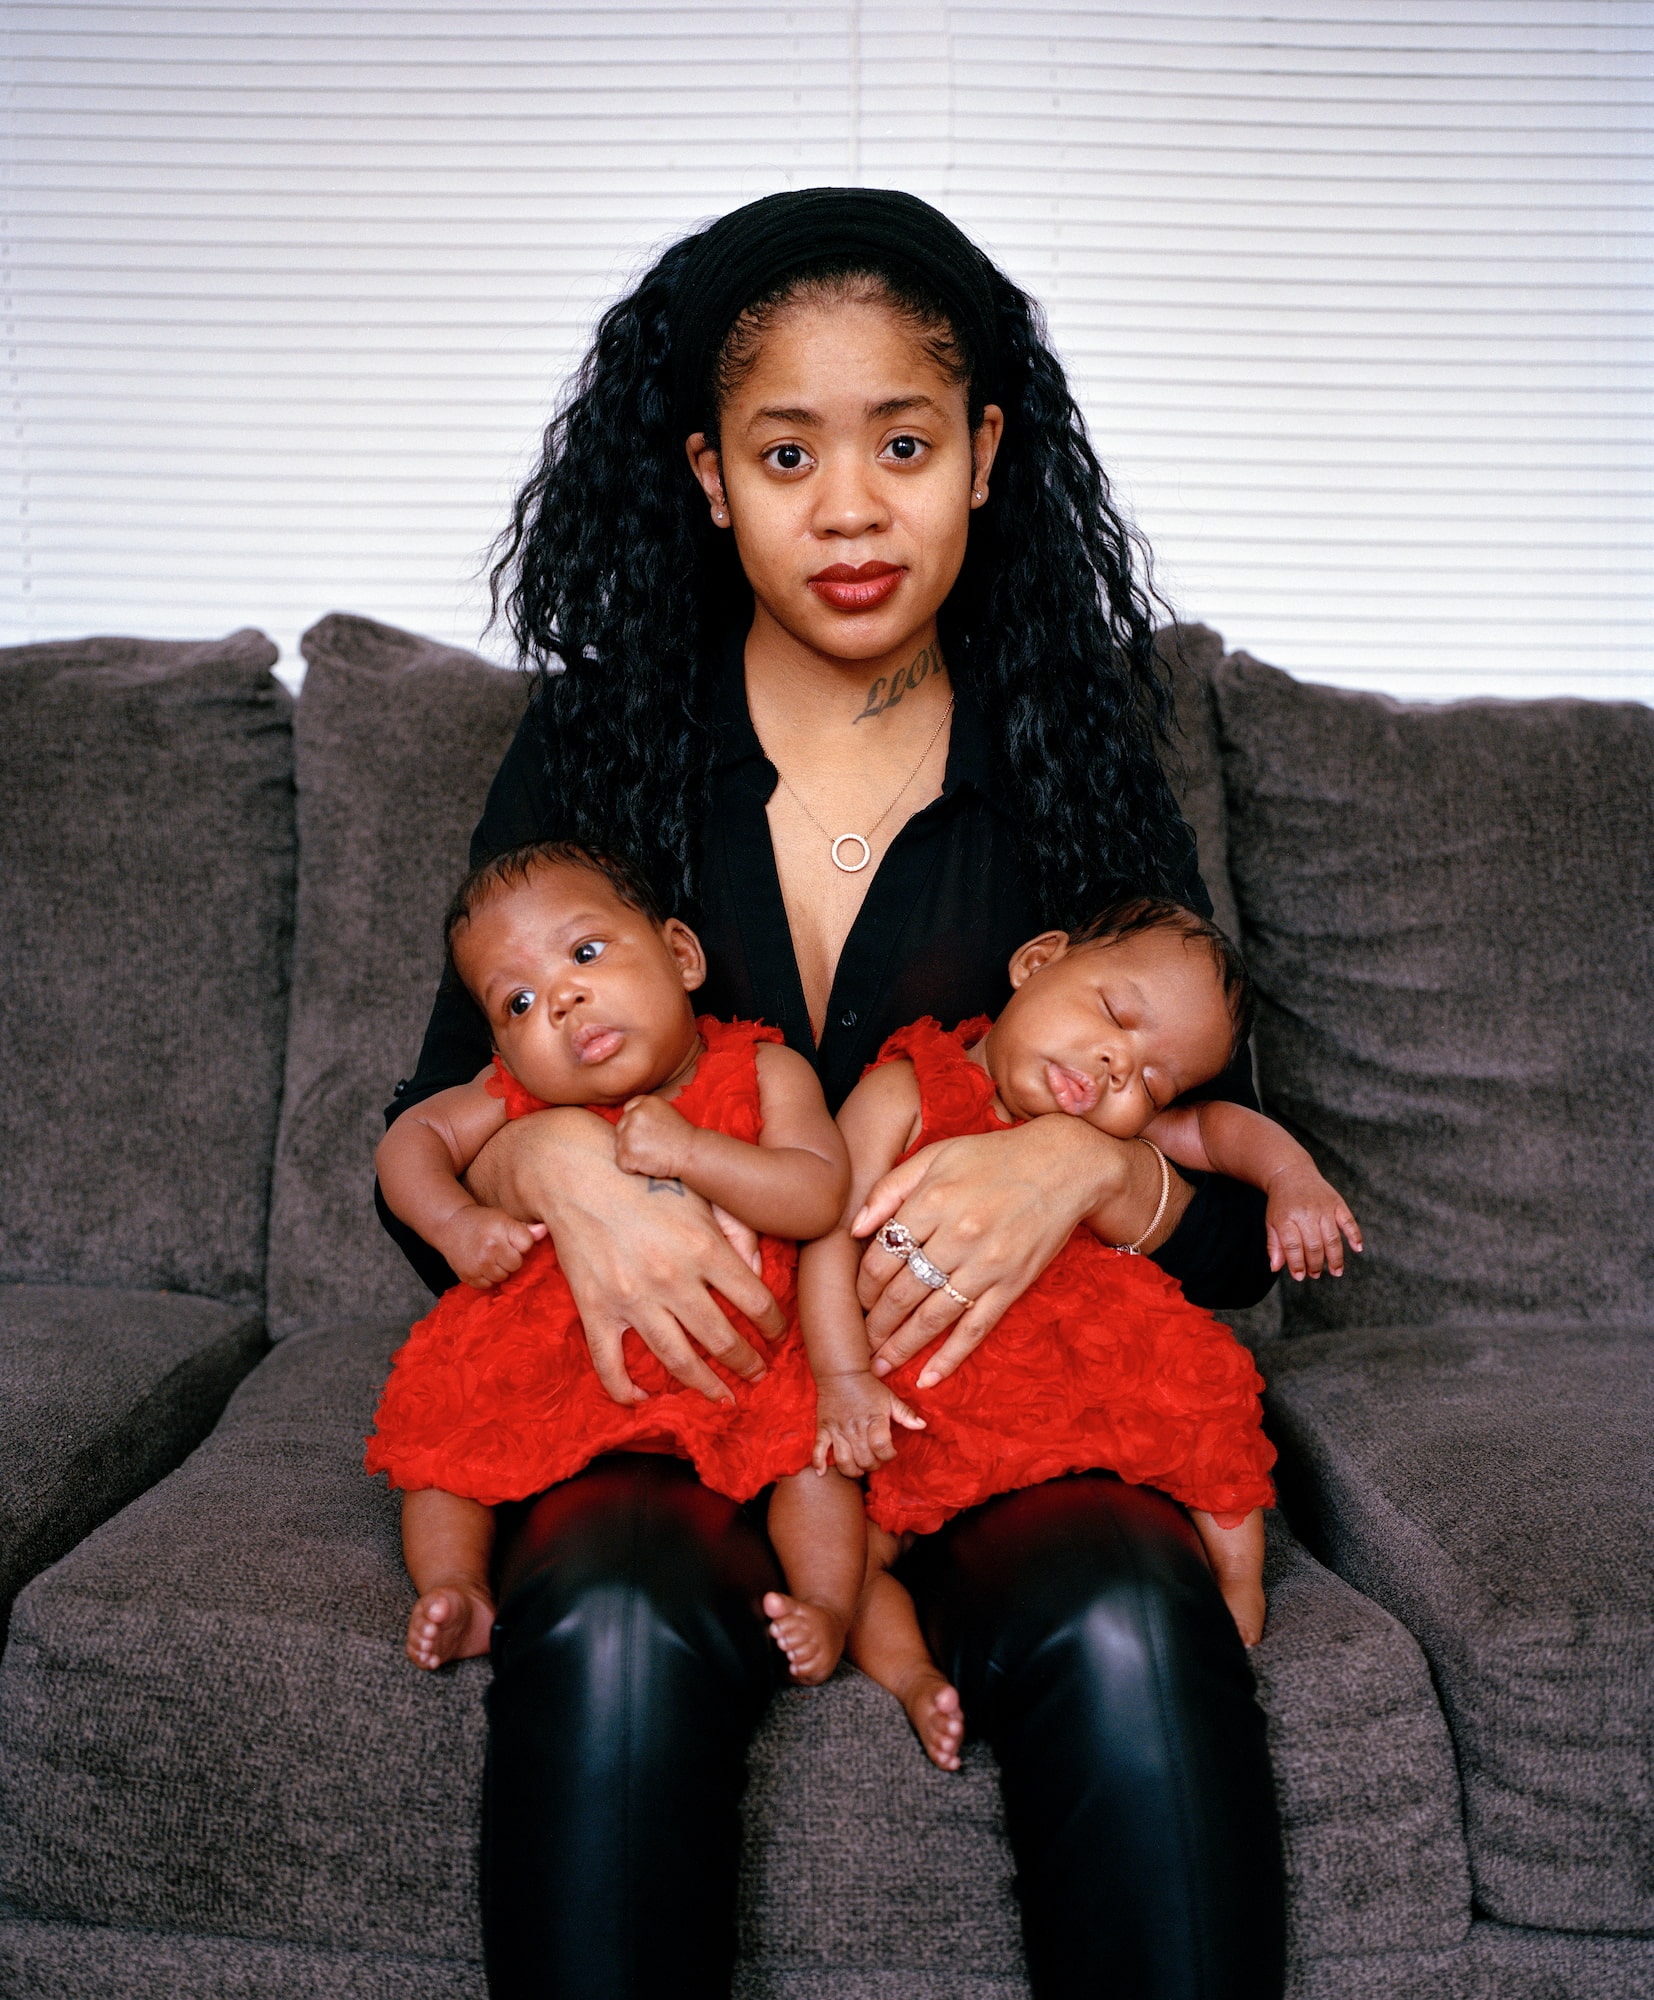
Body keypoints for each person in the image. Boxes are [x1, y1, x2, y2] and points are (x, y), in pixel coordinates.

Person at [380, 185, 1288, 2000]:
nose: (850, 508)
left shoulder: (1068, 741)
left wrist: (1083, 1174)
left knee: (1127, 1614)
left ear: (983, 458)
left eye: (903, 443)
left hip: (986, 1403)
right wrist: (562, 1167)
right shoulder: (597, 737)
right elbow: (434, 1140)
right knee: (611, 1615)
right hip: (677, 1403)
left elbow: (1243, 1232)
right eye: (786, 452)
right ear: (710, 478)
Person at [803, 894, 1361, 1770]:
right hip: (922, 1392)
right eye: (1114, 1015)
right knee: (846, 1542)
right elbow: (828, 1232)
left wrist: (1293, 1177)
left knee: (1207, 1406)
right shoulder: (907, 1087)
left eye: (1153, 1082)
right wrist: (842, 1380)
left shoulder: (1102, 1127)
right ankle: (911, 1676)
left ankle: (1238, 1592)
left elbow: (1217, 1129)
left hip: (1077, 1384)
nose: (1117, 1067)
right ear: (1036, 962)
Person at [368, 839, 873, 1682]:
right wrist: (456, 1224)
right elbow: (410, 1138)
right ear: (502, 1050)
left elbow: (818, 1193)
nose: (562, 999)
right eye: (519, 1001)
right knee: (442, 1433)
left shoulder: (762, 1067)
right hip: (552, 1365)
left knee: (813, 1454)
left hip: (741, 1365)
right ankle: (458, 1588)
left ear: (681, 956)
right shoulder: (511, 1094)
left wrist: (693, 1152)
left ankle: (824, 1603)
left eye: (585, 953)